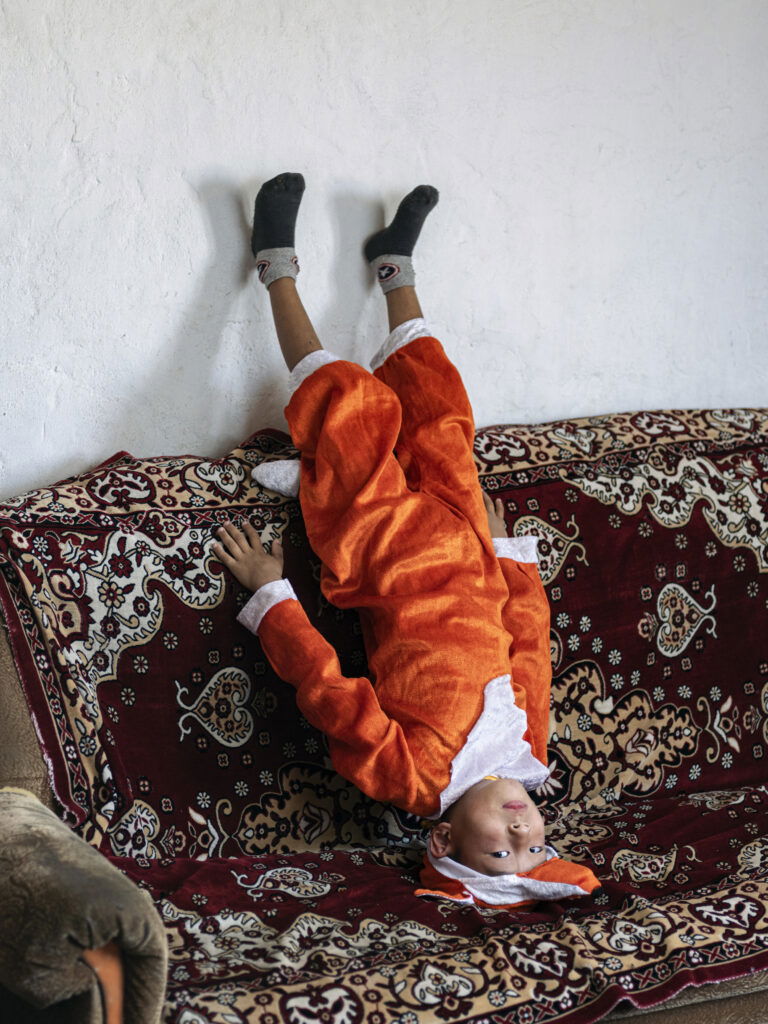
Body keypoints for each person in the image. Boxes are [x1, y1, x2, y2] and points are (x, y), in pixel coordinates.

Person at [213, 174, 600, 909]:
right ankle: (396, 268)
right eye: (537, 845)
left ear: (444, 844)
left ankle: (275, 265)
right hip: (466, 545)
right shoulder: (530, 753)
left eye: (500, 849)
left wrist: (272, 594)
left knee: (353, 411)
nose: (523, 831)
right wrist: (506, 551)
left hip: (388, 557)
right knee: (441, 410)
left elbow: (329, 694)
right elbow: (529, 641)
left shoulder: (416, 778)